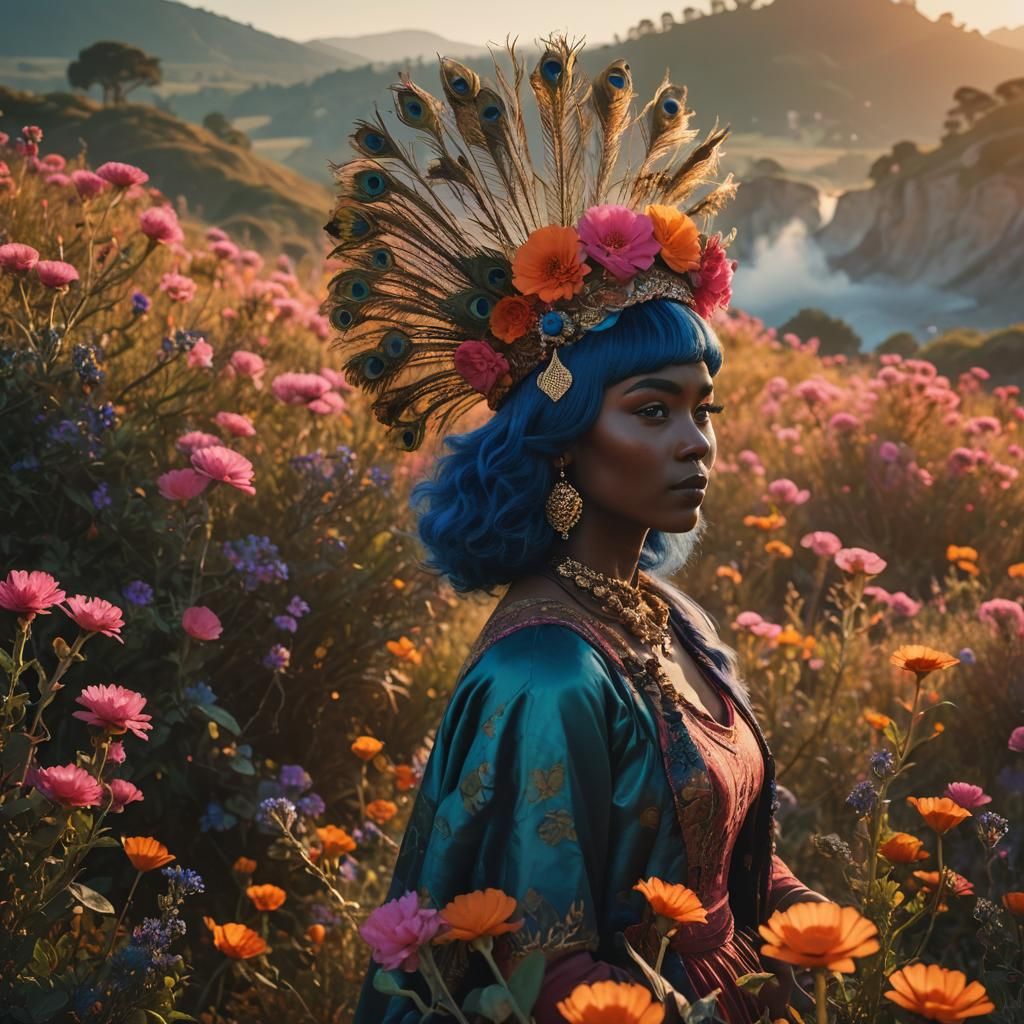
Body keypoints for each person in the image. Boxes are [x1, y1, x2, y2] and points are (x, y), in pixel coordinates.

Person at [325, 35, 828, 1024]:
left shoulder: (672, 619)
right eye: (651, 410)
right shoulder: (545, 675)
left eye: (703, 407)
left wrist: (803, 925)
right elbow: (542, 975)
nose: (696, 444)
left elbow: (725, 855)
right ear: (560, 437)